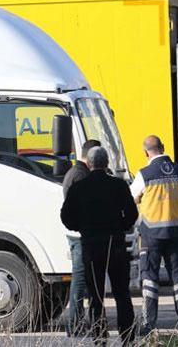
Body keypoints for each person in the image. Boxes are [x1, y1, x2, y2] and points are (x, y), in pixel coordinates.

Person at [61, 147, 138, 345]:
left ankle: (99, 336)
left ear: (90, 163)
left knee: (96, 295)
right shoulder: (118, 185)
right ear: (106, 164)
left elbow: (66, 216)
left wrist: (82, 228)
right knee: (121, 292)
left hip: (91, 245)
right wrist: (120, 226)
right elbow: (132, 214)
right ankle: (127, 336)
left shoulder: (80, 187)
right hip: (115, 244)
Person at [129, 135, 178, 336]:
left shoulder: (144, 174)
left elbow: (133, 197)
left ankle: (148, 325)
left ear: (146, 152)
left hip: (151, 235)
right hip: (176, 233)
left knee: (150, 279)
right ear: (163, 148)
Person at [61, 139, 101, 337]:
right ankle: (75, 325)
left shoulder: (76, 173)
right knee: (79, 281)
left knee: (82, 280)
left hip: (78, 234)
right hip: (81, 236)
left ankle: (77, 323)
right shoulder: (81, 175)